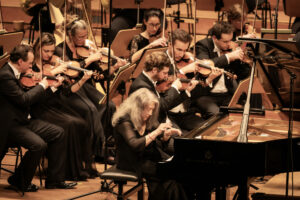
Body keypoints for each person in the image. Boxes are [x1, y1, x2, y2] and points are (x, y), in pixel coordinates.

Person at [0, 44, 76, 191]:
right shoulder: (5, 76)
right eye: (29, 63)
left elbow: (33, 95)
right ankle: (19, 180)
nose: (31, 67)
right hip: (10, 126)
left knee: (58, 132)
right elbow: (24, 100)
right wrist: (42, 85)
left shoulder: (18, 73)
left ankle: (55, 180)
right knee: (38, 145)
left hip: (24, 121)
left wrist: (51, 86)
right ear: (20, 62)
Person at [30, 32, 94, 181]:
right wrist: (53, 72)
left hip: (55, 104)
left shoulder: (53, 63)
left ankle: (75, 168)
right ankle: (65, 171)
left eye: (52, 51)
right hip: (40, 108)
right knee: (70, 124)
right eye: (46, 51)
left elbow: (67, 91)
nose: (49, 54)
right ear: (38, 48)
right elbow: (36, 90)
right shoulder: (32, 66)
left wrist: (83, 80)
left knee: (81, 123)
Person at [112, 88, 188, 200]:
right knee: (170, 177)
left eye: (152, 110)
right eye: (148, 110)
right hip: (131, 161)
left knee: (178, 174)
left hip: (149, 158)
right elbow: (135, 145)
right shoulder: (124, 121)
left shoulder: (148, 118)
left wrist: (165, 137)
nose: (150, 113)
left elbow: (156, 140)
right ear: (137, 108)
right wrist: (157, 132)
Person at [164, 29, 223, 131]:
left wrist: (209, 79)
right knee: (177, 138)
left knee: (207, 130)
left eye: (185, 50)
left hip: (186, 113)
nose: (182, 54)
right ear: (169, 44)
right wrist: (183, 71)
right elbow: (166, 86)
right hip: (167, 114)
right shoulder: (161, 60)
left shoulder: (188, 61)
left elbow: (196, 93)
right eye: (178, 49)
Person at [195, 22, 251, 119]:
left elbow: (243, 74)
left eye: (230, 40)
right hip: (207, 94)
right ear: (214, 38)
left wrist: (243, 61)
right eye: (225, 42)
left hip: (227, 93)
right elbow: (205, 65)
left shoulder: (231, 47)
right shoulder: (203, 45)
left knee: (244, 113)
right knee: (217, 116)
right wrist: (228, 57)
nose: (229, 44)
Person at [129, 51, 198, 128]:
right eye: (164, 73)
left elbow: (166, 104)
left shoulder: (150, 81)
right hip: (153, 126)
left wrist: (186, 91)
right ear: (154, 70)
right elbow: (160, 107)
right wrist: (174, 88)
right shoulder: (141, 86)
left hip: (163, 119)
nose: (166, 76)